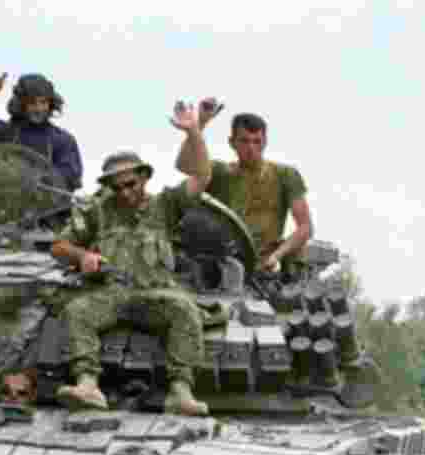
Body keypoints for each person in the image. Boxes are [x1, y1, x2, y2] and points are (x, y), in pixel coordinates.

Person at [51, 100, 220, 416]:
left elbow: (201, 176)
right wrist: (82, 255)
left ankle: (180, 391)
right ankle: (88, 386)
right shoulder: (96, 212)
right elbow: (58, 247)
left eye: (130, 184)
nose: (125, 192)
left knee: (184, 310)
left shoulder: (165, 206)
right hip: (111, 294)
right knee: (77, 311)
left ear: (144, 178)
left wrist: (194, 132)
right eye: (116, 188)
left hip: (154, 293)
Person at [176, 104, 314, 277]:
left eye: (257, 141)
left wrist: (276, 256)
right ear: (232, 142)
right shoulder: (219, 172)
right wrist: (196, 127)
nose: (251, 148)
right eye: (244, 140)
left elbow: (305, 227)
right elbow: (184, 165)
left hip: (264, 267)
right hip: (223, 263)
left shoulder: (285, 175)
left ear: (265, 142)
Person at [0, 72, 83, 191]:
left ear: (51, 104)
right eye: (32, 103)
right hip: (3, 206)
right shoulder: (3, 133)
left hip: (47, 209)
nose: (39, 109)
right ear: (20, 104)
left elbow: (70, 176)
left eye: (43, 102)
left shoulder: (62, 140)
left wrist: (38, 179)